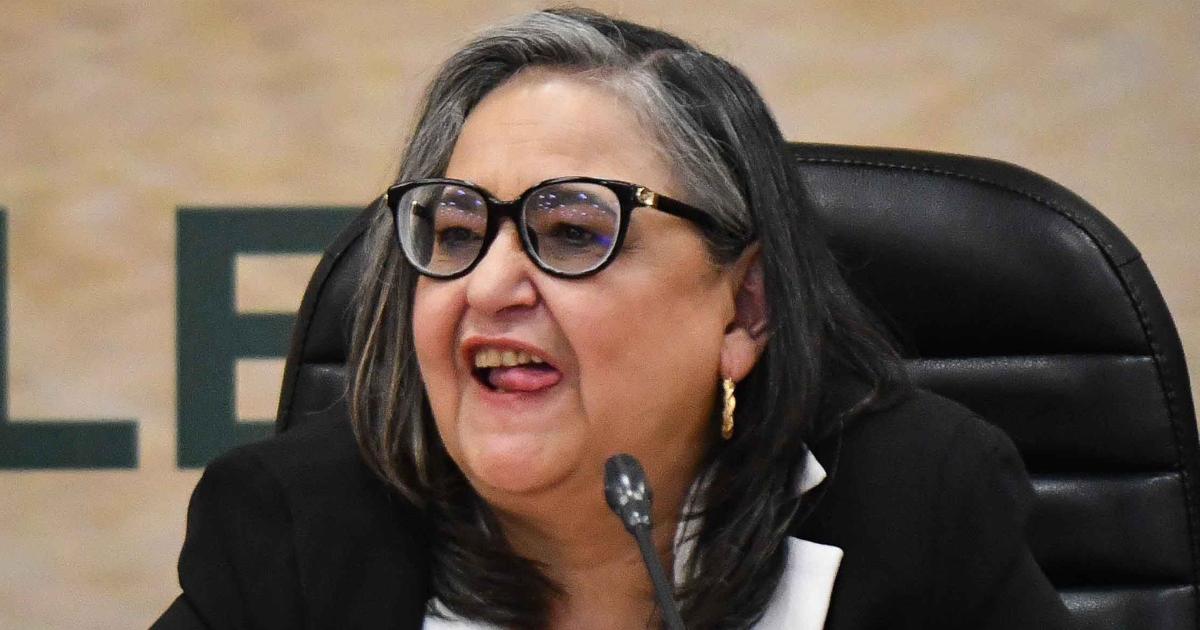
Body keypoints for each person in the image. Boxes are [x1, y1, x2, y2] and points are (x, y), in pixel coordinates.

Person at [154, 8, 1075, 629]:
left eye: (571, 232)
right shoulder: (290, 526)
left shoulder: (918, 504)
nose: (489, 285)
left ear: (744, 309)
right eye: (458, 232)